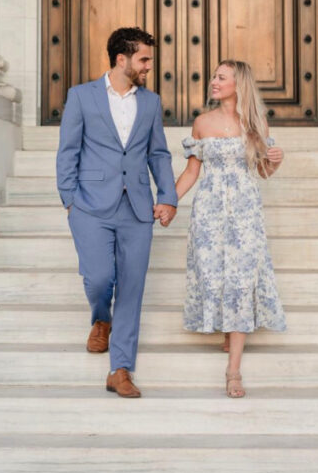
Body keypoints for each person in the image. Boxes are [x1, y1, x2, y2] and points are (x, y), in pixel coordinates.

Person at [55, 26, 177, 401]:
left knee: (132, 286)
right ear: (122, 59)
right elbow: (67, 150)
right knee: (98, 278)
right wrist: (70, 199)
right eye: (144, 59)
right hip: (90, 204)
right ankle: (100, 318)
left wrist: (168, 195)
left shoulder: (151, 102)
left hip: (137, 207)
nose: (149, 66)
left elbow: (158, 153)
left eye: (149, 60)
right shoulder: (81, 96)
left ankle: (120, 368)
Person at [173, 58, 286, 398]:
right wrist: (167, 202)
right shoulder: (202, 123)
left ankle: (233, 371)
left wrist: (275, 163)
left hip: (245, 211)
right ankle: (226, 330)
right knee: (214, 273)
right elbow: (192, 172)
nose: (213, 81)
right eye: (213, 76)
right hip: (209, 209)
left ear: (239, 84)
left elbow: (263, 172)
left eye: (221, 77)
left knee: (240, 280)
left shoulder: (255, 123)